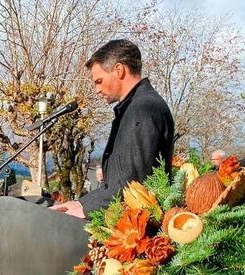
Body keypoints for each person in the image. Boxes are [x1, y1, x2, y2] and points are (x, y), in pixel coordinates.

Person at [51, 39, 174, 218]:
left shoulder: (143, 108)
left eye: (99, 81)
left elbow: (133, 185)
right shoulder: (134, 107)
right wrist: (79, 203)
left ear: (119, 70)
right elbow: (117, 182)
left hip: (137, 229)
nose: (96, 90)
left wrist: (84, 209)